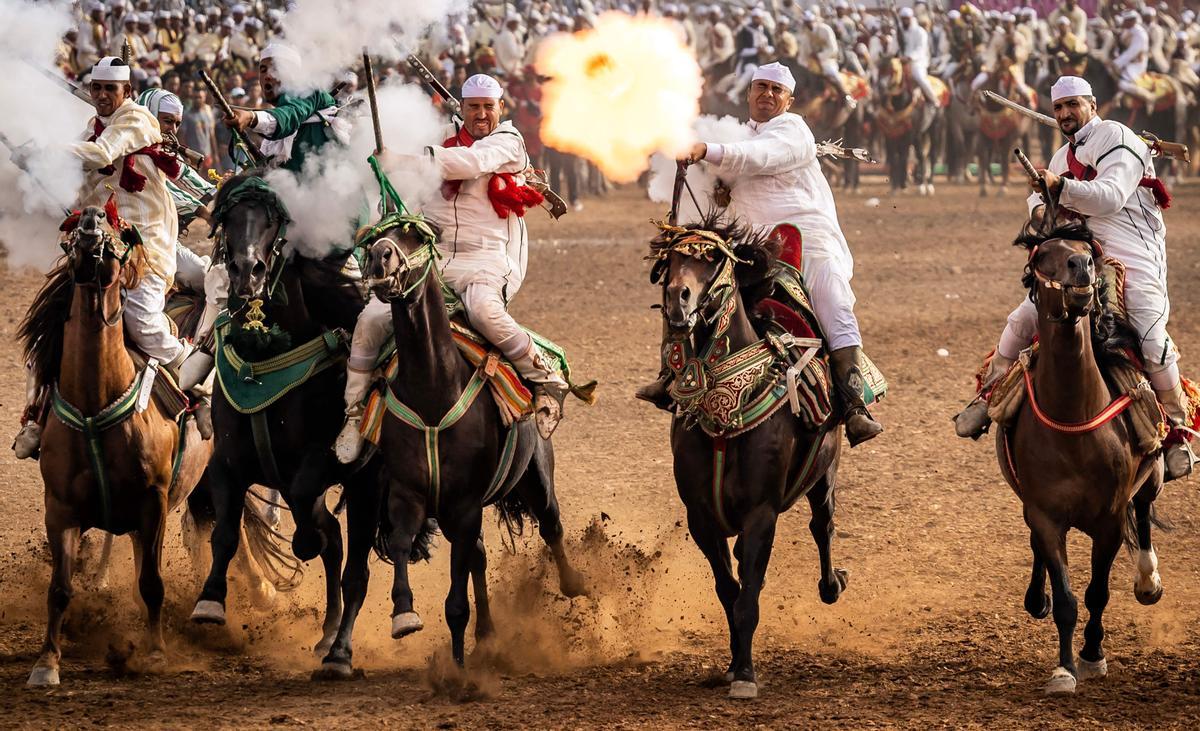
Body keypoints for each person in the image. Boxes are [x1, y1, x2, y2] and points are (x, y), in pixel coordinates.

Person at [953, 76, 1191, 479]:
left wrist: (1059, 185)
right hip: (1082, 256)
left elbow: (1111, 195)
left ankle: (1176, 429)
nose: (1065, 114)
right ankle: (989, 394)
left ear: (1092, 105)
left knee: (1151, 336)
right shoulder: (1064, 154)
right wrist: (1041, 203)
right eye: (1059, 107)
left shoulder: (1120, 138)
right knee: (1024, 317)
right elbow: (1041, 203)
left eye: (1073, 105)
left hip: (1134, 257)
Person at [639, 62, 884, 447]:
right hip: (751, 252)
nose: (767, 94)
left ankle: (853, 406)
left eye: (775, 89)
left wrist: (706, 150)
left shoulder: (792, 130)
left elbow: (762, 156)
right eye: (760, 87)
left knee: (834, 301)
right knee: (685, 290)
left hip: (809, 245)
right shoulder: (737, 136)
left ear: (789, 99)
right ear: (749, 93)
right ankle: (673, 377)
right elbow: (715, 200)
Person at [334, 73, 569, 462]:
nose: (480, 115)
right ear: (461, 107)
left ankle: (546, 378)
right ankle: (354, 412)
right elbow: (401, 187)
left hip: (490, 258)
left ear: (500, 109)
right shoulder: (439, 135)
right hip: (434, 258)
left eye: (487, 108)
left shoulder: (508, 142)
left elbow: (470, 162)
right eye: (473, 107)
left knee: (482, 310)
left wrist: (407, 158)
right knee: (371, 319)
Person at [14, 58, 207, 457]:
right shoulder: (90, 129)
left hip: (144, 246)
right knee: (46, 328)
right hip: (98, 242)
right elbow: (82, 190)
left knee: (144, 325)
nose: (102, 96)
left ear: (127, 93)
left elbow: (101, 154)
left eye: (110, 89)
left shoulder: (135, 121)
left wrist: (47, 151)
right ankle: (36, 416)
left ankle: (201, 384)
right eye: (97, 88)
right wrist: (35, 169)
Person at [222, 44, 345, 174]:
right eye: (263, 70)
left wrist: (250, 117)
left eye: (275, 69)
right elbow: (265, 164)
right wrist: (237, 176)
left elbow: (289, 115)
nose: (267, 76)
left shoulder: (310, 92)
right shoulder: (274, 135)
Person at [898, 7, 939, 109]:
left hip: (917, 62)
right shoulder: (899, 31)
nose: (905, 21)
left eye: (907, 18)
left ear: (911, 18)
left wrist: (909, 57)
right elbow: (894, 46)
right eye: (903, 18)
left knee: (920, 77)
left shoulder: (920, 32)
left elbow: (921, 49)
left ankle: (934, 100)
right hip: (901, 61)